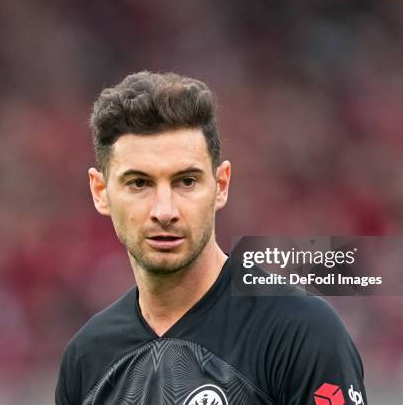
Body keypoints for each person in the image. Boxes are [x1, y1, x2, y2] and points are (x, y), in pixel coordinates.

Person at [56, 71, 367, 405]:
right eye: (138, 183)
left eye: (186, 181)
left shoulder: (299, 333)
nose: (165, 210)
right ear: (100, 192)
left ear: (221, 186)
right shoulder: (86, 358)